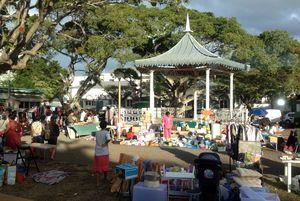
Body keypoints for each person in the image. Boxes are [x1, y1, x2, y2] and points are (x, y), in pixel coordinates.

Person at [93, 120, 111, 187]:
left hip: (97, 152)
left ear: (100, 126)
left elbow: (94, 135)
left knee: (98, 168)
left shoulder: (97, 133)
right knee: (105, 166)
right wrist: (105, 143)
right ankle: (105, 178)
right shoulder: (106, 132)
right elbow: (109, 139)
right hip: (104, 152)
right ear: (106, 126)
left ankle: (98, 182)